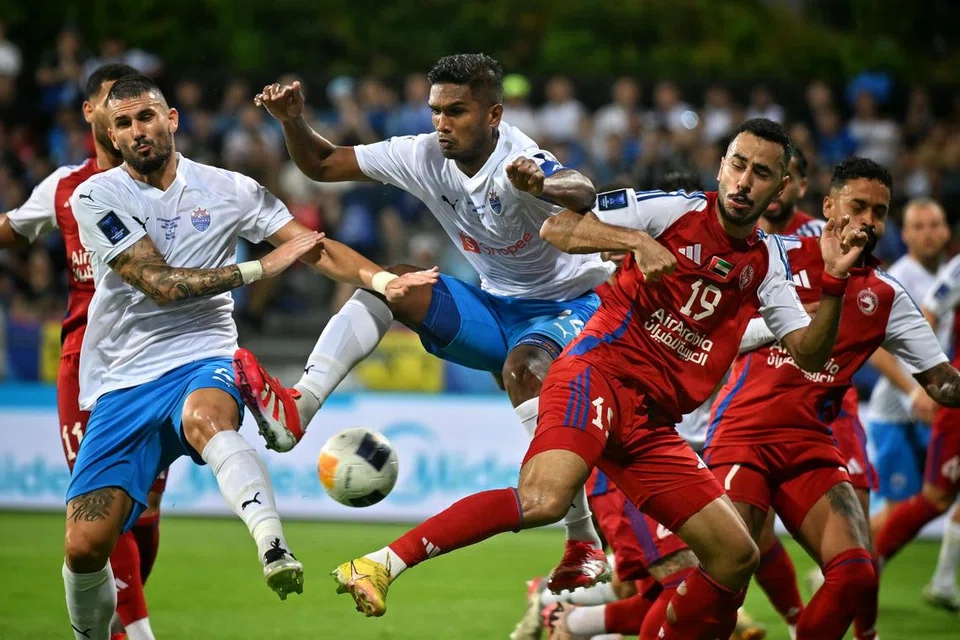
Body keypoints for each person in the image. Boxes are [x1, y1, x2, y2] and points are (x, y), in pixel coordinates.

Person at [329, 118, 869, 639]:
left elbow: (806, 349)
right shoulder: (671, 210)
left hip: (651, 422)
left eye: (761, 173)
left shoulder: (768, 263)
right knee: (543, 499)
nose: (744, 181)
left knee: (735, 556)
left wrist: (836, 283)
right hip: (596, 375)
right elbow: (557, 225)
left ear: (778, 187)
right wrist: (635, 241)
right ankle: (380, 564)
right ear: (722, 165)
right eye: (738, 165)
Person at [61, 74, 435, 640]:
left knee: (207, 416)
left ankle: (272, 542)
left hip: (202, 352)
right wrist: (262, 266)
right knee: (86, 548)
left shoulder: (229, 188)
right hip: (122, 378)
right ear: (110, 134)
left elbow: (313, 247)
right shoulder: (96, 196)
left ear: (172, 120)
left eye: (147, 117)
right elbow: (157, 283)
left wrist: (383, 280)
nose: (138, 131)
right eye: (124, 124)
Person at [235, 53, 615, 591]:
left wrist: (542, 185)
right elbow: (322, 166)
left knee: (525, 368)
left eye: (456, 112)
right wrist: (293, 121)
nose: (442, 124)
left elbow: (581, 190)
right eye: (436, 110)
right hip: (497, 306)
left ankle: (583, 542)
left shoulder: (520, 157)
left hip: (573, 305)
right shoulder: (422, 153)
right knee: (395, 282)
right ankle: (301, 405)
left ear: (494, 115)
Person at [705, 158, 960, 639]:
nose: (868, 220)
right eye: (857, 206)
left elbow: (942, 381)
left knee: (857, 573)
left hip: (812, 443)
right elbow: (716, 324)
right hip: (745, 433)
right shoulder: (774, 255)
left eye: (878, 211)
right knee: (728, 567)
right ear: (828, 206)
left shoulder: (886, 295)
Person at [0, 63, 163, 640]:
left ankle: (108, 618)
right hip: (84, 362)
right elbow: (14, 230)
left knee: (142, 516)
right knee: (103, 506)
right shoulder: (64, 186)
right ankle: (131, 633)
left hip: (154, 362)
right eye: (106, 104)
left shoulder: (160, 183)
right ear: (92, 113)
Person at [873, 251, 960, 608]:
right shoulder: (954, 270)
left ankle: (943, 580)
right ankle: (864, 567)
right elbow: (928, 313)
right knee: (933, 498)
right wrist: (925, 383)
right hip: (925, 407)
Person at [864, 198, 951, 535]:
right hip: (896, 411)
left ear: (946, 231)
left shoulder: (950, 276)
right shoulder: (895, 279)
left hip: (933, 403)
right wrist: (914, 393)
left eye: (934, 225)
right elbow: (875, 348)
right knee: (902, 505)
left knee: (927, 499)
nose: (928, 234)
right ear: (906, 235)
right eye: (918, 227)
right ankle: (844, 565)